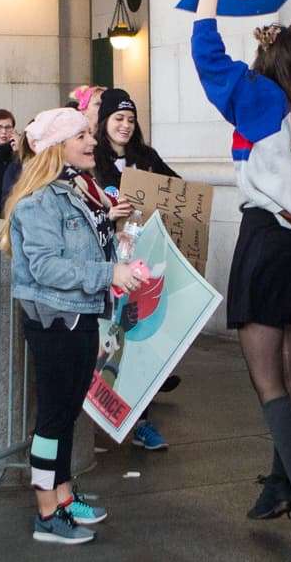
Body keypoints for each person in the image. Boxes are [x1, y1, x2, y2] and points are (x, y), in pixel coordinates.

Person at [192, 0, 291, 548]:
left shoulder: (260, 99)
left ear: (268, 65)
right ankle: (281, 483)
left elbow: (207, 54)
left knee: (265, 379)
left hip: (266, 242)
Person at [2, 107, 140, 546]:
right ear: (56, 146)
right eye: (82, 134)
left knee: (64, 416)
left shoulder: (75, 190)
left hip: (78, 314)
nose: (93, 141)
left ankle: (61, 497)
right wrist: (109, 275)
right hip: (55, 319)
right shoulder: (39, 200)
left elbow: (82, 248)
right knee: (54, 418)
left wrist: (112, 224)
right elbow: (46, 268)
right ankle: (47, 514)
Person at [92, 86, 181, 451]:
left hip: (142, 263)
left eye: (130, 119)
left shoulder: (146, 156)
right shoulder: (89, 158)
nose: (125, 126)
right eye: (118, 119)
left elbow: (176, 190)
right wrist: (107, 214)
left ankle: (142, 422)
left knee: (139, 340)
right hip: (104, 264)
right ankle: (96, 418)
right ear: (104, 122)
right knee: (104, 342)